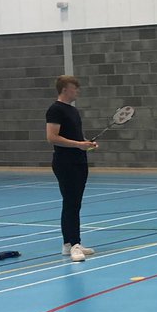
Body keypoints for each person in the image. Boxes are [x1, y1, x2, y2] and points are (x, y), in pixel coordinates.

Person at [45, 75, 98, 262]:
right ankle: (73, 244)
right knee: (70, 203)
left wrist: (86, 144)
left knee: (75, 203)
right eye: (75, 88)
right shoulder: (55, 110)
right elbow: (52, 137)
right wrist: (77, 144)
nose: (78, 91)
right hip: (64, 163)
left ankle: (70, 244)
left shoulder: (73, 111)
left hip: (79, 161)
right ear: (65, 89)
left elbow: (76, 136)